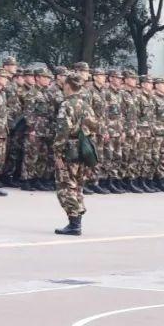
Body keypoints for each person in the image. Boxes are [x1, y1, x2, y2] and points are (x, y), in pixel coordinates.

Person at [53, 72, 97, 236]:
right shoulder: (86, 105)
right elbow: (93, 127)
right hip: (82, 149)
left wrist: (57, 152)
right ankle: (77, 219)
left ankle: (74, 222)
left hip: (69, 150)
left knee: (65, 186)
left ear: (68, 86)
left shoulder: (67, 105)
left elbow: (62, 130)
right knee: (77, 185)